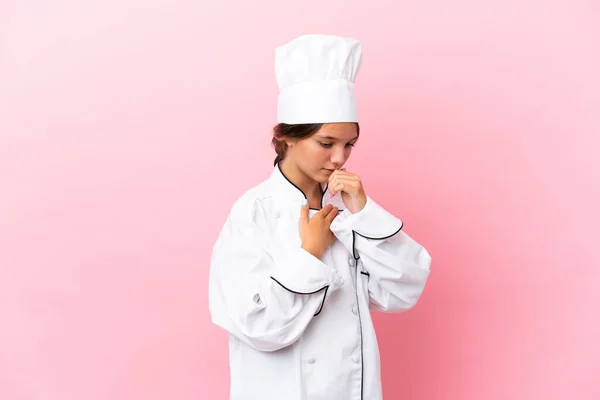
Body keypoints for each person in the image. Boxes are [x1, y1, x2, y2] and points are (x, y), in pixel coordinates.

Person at [208, 34, 432, 400]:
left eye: (349, 144)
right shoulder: (254, 211)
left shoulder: (348, 212)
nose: (340, 158)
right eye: (326, 144)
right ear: (288, 138)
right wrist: (308, 254)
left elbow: (402, 292)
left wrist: (364, 213)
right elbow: (255, 325)